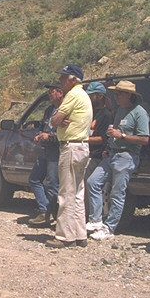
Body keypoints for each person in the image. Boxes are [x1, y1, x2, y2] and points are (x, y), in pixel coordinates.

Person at [86, 80, 149, 240]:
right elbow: (114, 132)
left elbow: (144, 139)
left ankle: (110, 227)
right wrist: (108, 146)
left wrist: (122, 136)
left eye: (119, 93)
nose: (115, 96)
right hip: (112, 153)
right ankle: (95, 220)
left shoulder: (139, 112)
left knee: (117, 193)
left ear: (129, 95)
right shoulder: (120, 110)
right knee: (93, 182)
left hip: (126, 156)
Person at [46, 64, 93, 248]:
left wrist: (58, 119)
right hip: (82, 146)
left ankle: (64, 235)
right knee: (78, 192)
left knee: (66, 192)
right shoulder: (84, 95)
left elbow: (54, 120)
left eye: (64, 77)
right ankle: (80, 234)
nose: (60, 81)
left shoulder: (73, 94)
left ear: (73, 79)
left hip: (71, 146)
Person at [27, 82, 63, 227]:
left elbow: (64, 133)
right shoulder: (49, 110)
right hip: (45, 149)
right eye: (48, 92)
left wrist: (50, 136)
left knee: (53, 183)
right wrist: (38, 135)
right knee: (34, 179)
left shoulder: (65, 110)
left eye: (52, 92)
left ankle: (52, 214)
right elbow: (43, 126)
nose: (49, 95)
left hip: (57, 149)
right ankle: (45, 210)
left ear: (60, 93)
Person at [85, 81, 114, 182]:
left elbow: (103, 139)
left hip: (95, 156)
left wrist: (82, 139)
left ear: (100, 96)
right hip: (85, 153)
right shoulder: (89, 112)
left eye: (91, 95)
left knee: (89, 184)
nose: (88, 98)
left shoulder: (106, 115)